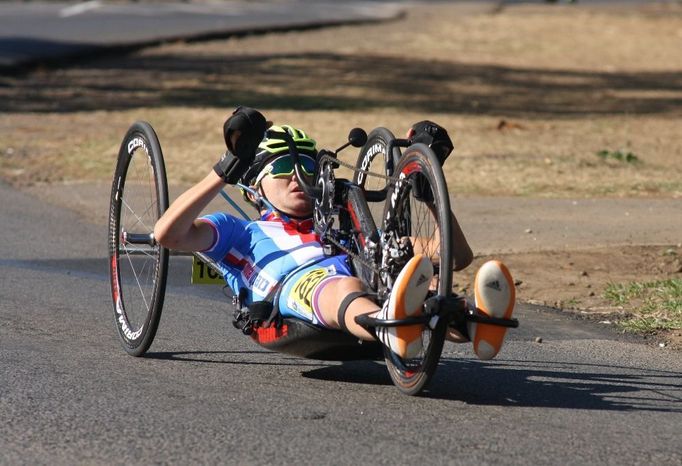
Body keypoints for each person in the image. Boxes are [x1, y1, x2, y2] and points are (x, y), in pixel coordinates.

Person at [154, 106, 515, 360]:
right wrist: (224, 169)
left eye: (309, 169)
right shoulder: (239, 232)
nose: (299, 178)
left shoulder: (339, 229)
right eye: (282, 168)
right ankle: (393, 326)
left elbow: (455, 256)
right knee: (344, 287)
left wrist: (428, 190)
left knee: (415, 273)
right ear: (255, 185)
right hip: (290, 294)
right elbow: (167, 234)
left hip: (357, 279)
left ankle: (476, 324)